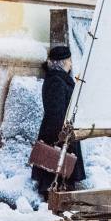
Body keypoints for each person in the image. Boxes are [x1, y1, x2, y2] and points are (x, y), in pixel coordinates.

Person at [31, 45, 86, 198]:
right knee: (56, 170)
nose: (71, 64)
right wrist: (61, 136)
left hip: (61, 131)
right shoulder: (56, 81)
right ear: (61, 62)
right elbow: (55, 113)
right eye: (69, 60)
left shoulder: (59, 79)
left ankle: (58, 196)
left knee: (61, 171)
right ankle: (54, 198)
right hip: (58, 133)